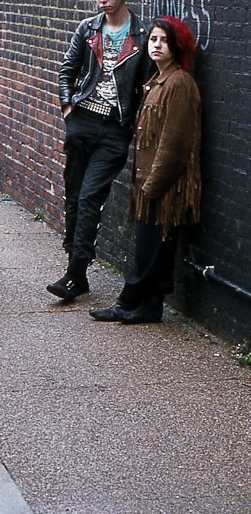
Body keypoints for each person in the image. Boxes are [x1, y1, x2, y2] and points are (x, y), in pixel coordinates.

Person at [48, 0, 150, 302]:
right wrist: (68, 108)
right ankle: (75, 269)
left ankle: (75, 274)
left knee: (91, 196)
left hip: (114, 130)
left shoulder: (141, 35)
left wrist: (131, 123)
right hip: (82, 123)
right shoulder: (88, 29)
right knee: (74, 196)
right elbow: (67, 70)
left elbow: (145, 86)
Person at [90, 16, 201, 324]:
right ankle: (150, 307)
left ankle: (128, 300)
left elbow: (174, 144)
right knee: (156, 249)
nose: (157, 45)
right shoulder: (158, 81)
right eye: (153, 39)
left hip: (165, 188)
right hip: (150, 184)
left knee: (151, 249)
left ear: (177, 46)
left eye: (164, 40)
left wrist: (153, 186)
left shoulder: (179, 84)